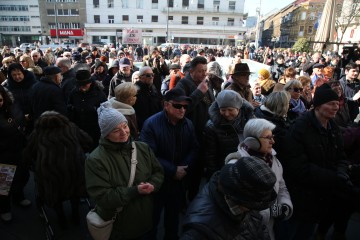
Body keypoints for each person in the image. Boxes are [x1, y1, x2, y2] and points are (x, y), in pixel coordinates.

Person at [277, 84, 360, 240]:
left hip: (320, 196)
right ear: (318, 106)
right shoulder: (300, 128)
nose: (336, 107)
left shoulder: (333, 127)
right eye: (331, 104)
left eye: (337, 103)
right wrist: (333, 177)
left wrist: (342, 171)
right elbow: (297, 167)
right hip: (299, 196)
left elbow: (340, 155)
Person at [85, 103, 164, 240]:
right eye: (116, 130)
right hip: (119, 228)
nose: (124, 132)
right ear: (106, 134)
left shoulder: (142, 148)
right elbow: (103, 197)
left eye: (125, 126)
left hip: (146, 221)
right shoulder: (95, 160)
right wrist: (135, 191)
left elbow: (158, 171)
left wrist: (153, 184)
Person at [140, 88, 199, 240]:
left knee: (173, 223)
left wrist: (183, 168)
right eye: (178, 106)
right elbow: (148, 154)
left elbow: (194, 148)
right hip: (156, 182)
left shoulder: (188, 124)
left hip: (178, 184)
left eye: (185, 106)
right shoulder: (151, 124)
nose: (182, 110)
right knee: (150, 223)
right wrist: (173, 170)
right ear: (166, 105)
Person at [225, 118, 293, 240]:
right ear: (252, 141)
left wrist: (284, 205)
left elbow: (281, 186)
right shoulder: (236, 166)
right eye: (268, 138)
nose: (273, 141)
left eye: (272, 136)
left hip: (268, 229)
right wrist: (270, 210)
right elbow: (237, 206)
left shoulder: (273, 159)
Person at [180, 154, 277, 239]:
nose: (256, 207)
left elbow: (259, 227)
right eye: (257, 204)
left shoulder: (246, 200)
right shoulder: (199, 232)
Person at [24, 111, 93, 227]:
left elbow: (29, 152)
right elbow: (88, 141)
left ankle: (61, 218)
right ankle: (75, 214)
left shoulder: (38, 132)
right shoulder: (71, 127)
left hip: (49, 172)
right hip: (73, 168)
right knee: (75, 190)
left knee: (55, 193)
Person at [203, 90, 254, 180]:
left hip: (248, 167)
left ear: (238, 108)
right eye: (223, 110)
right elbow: (210, 155)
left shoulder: (249, 120)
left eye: (230, 110)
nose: (226, 114)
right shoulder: (212, 126)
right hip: (224, 169)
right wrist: (214, 177)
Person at [0, 85, 30, 222]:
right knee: (4, 184)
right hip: (3, 154)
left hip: (18, 149)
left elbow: (19, 118)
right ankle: (4, 208)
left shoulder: (12, 106)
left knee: (21, 176)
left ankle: (19, 197)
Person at [67, 69, 106, 150]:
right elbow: (69, 106)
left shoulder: (99, 93)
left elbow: (105, 111)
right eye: (80, 85)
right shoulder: (74, 92)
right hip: (78, 129)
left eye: (84, 85)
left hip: (94, 130)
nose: (82, 88)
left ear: (90, 82)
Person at [133, 66, 162, 131]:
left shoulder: (154, 89)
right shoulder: (135, 91)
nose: (151, 77)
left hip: (155, 124)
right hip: (142, 127)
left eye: (152, 75)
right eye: (148, 75)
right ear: (140, 77)